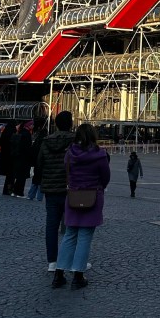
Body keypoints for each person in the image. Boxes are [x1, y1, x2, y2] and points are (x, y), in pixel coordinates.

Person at [52, 123, 111, 290]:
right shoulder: (100, 155)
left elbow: (66, 171)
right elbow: (106, 177)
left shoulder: (70, 154)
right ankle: (78, 275)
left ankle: (59, 273)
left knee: (70, 234)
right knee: (85, 236)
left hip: (73, 196)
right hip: (92, 197)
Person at [35, 110, 75, 272]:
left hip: (50, 188)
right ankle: (70, 259)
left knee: (51, 226)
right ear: (70, 124)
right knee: (72, 225)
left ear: (56, 124)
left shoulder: (46, 141)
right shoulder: (74, 141)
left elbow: (39, 163)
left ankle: (52, 261)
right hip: (70, 188)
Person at [9, 122, 33, 197]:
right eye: (32, 125)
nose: (33, 126)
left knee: (17, 175)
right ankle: (19, 192)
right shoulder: (27, 134)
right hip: (24, 158)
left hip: (17, 156)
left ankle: (14, 190)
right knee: (22, 176)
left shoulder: (20, 132)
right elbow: (27, 147)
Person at [0, 121, 16, 194]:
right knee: (11, 175)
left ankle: (6, 190)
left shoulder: (5, 132)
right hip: (11, 156)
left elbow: (0, 143)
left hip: (4, 156)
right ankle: (9, 189)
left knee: (8, 175)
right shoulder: (13, 133)